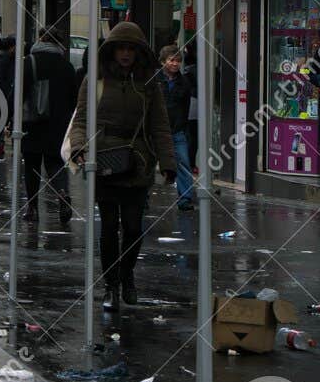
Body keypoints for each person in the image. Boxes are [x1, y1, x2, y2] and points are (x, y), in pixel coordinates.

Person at [63, 21, 176, 311]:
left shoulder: (150, 83)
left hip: (138, 163)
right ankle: (111, 284)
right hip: (104, 162)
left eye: (131, 49)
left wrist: (168, 162)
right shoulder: (95, 80)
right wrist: (79, 147)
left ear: (139, 52)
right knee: (109, 226)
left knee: (134, 227)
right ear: (112, 51)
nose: (125, 54)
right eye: (121, 48)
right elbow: (81, 120)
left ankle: (127, 276)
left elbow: (160, 125)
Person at [23, 27, 78, 224]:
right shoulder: (66, 66)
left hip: (32, 123)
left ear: (41, 39)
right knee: (56, 162)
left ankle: (32, 207)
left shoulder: (28, 63)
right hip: (58, 124)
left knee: (32, 165)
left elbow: (18, 94)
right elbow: (74, 98)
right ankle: (62, 193)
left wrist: (12, 120)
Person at [160, 45, 196, 211]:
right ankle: (142, 198)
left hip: (176, 129)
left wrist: (181, 125)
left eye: (178, 61)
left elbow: (185, 107)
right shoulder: (155, 80)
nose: (175, 64)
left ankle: (185, 198)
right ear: (163, 62)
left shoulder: (184, 82)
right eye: (172, 60)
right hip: (157, 130)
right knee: (146, 163)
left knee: (183, 163)